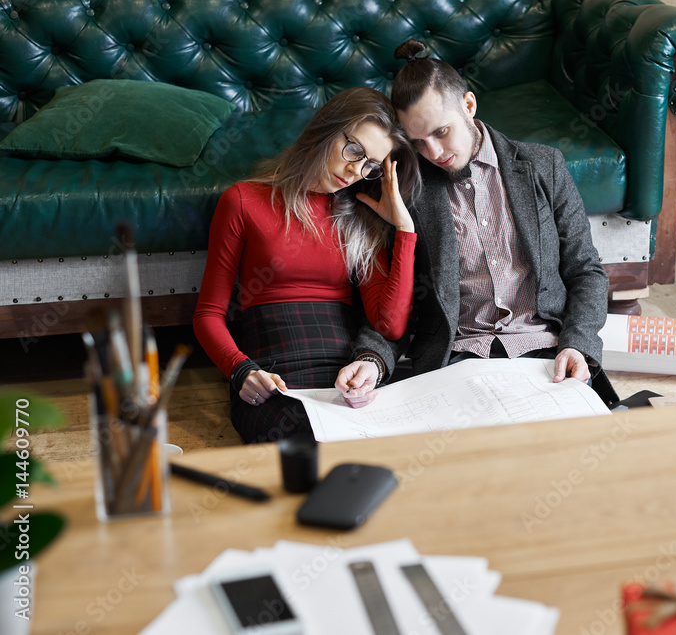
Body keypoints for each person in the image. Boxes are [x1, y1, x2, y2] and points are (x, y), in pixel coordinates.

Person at [335, 39, 616, 407]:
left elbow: (586, 271)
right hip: (457, 359)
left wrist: (578, 344)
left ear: (468, 105)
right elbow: (403, 297)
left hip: (547, 353)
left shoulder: (543, 166)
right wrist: (372, 358)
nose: (433, 154)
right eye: (418, 143)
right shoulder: (407, 188)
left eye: (440, 132)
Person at [193, 87, 420, 443]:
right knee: (307, 451)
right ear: (326, 128)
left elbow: (388, 325)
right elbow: (207, 314)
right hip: (274, 380)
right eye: (354, 149)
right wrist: (239, 370)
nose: (355, 170)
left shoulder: (359, 218)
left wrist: (404, 229)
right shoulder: (242, 200)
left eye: (370, 165)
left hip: (344, 378)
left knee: (390, 445)